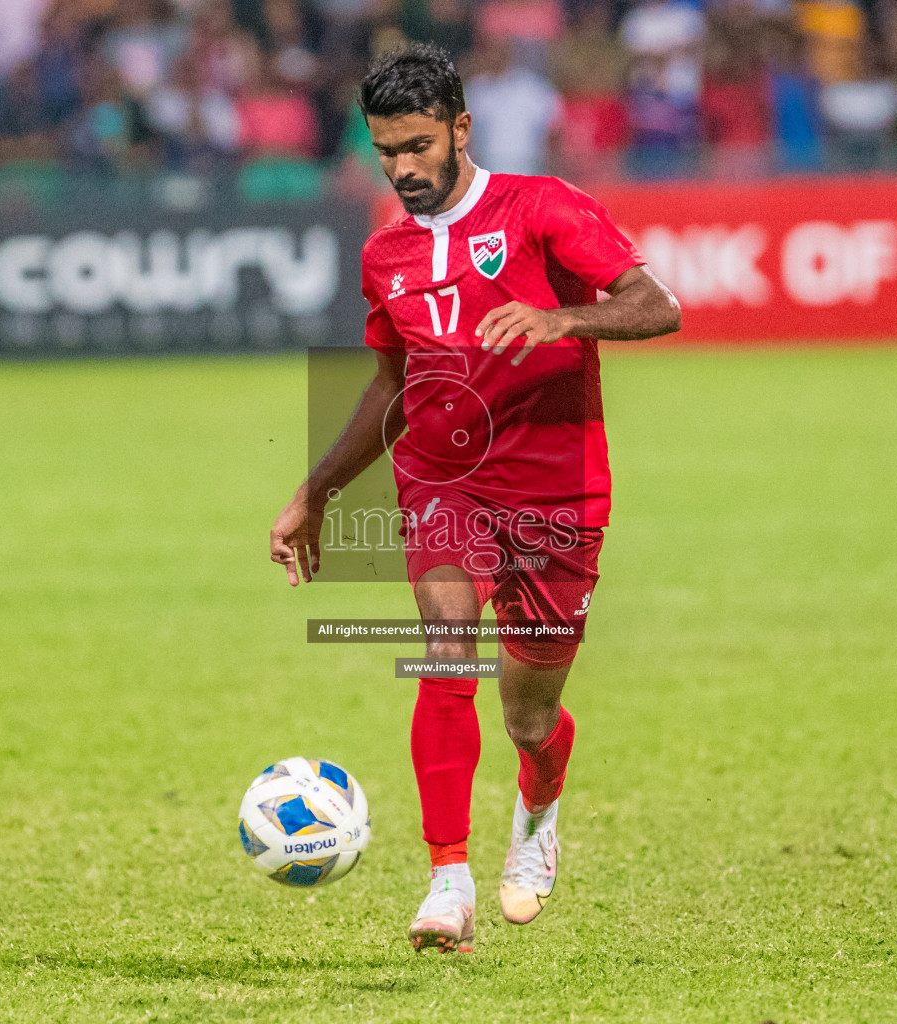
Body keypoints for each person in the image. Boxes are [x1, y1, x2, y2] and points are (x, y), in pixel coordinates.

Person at [268, 42, 680, 953]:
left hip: (556, 489)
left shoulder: (542, 210)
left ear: (461, 128)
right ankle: (446, 880)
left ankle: (539, 812)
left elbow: (659, 305)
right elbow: (391, 386)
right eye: (386, 151)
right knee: (446, 651)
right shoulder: (386, 255)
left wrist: (562, 316)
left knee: (528, 713)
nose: (403, 168)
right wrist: (317, 491)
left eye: (418, 145)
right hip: (444, 478)